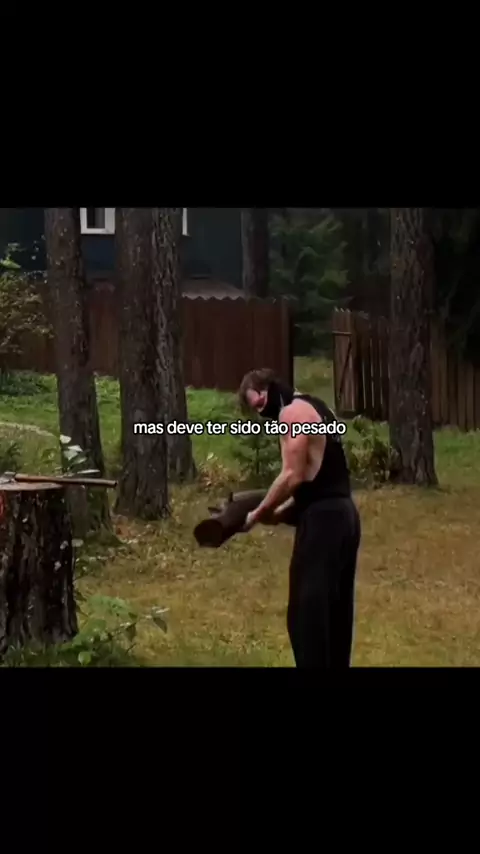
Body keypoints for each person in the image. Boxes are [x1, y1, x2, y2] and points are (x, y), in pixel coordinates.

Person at [238, 368, 361, 668]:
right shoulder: (318, 407)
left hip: (324, 525)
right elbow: (315, 480)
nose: (262, 412)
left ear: (269, 387)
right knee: (334, 614)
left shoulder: (292, 413)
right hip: (344, 516)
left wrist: (256, 514)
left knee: (307, 619)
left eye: (260, 403)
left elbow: (291, 475)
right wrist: (279, 515)